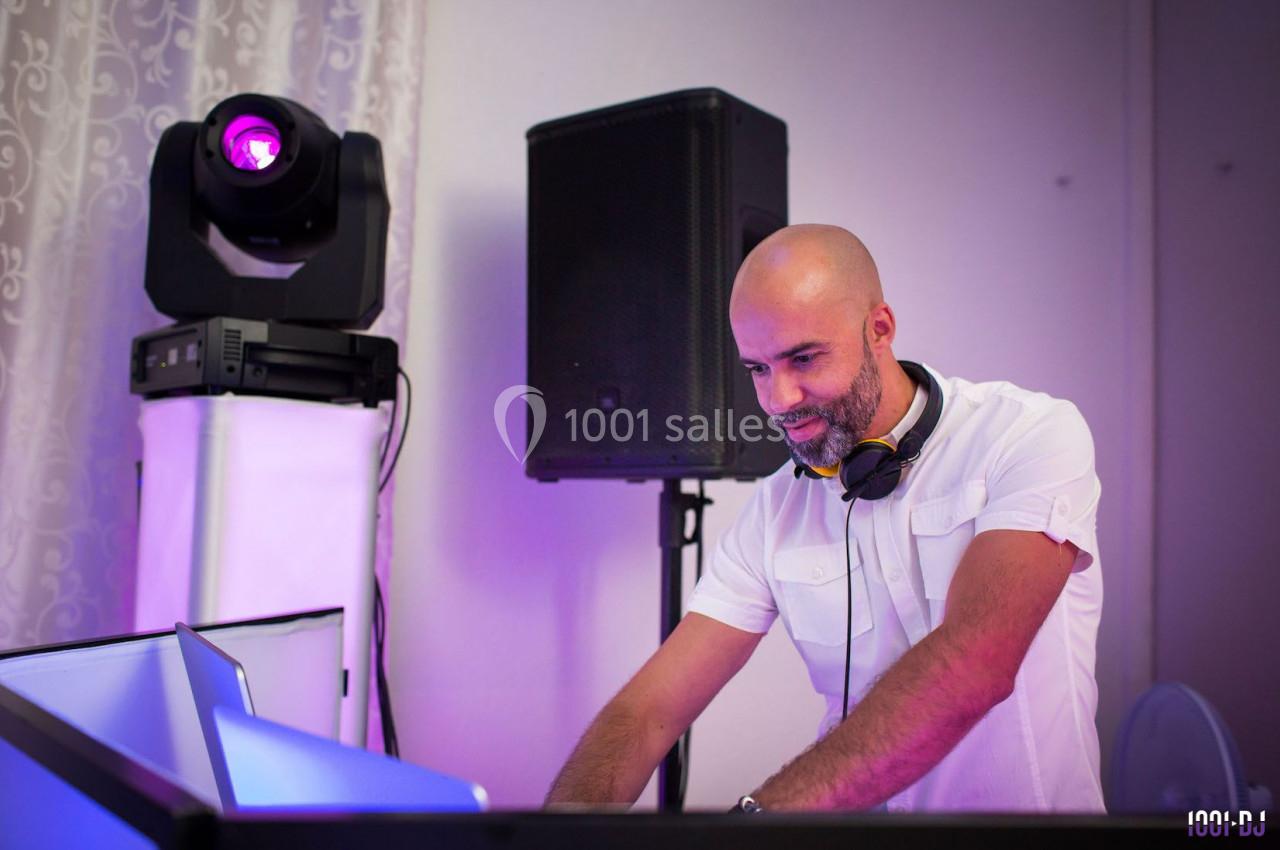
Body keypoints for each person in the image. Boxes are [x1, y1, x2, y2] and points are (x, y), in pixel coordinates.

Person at [545, 224, 1105, 812]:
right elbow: (649, 712)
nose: (777, 399)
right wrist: (562, 837)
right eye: (757, 369)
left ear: (879, 329)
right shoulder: (774, 508)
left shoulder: (1028, 435)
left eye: (803, 358)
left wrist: (754, 824)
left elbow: (976, 663)